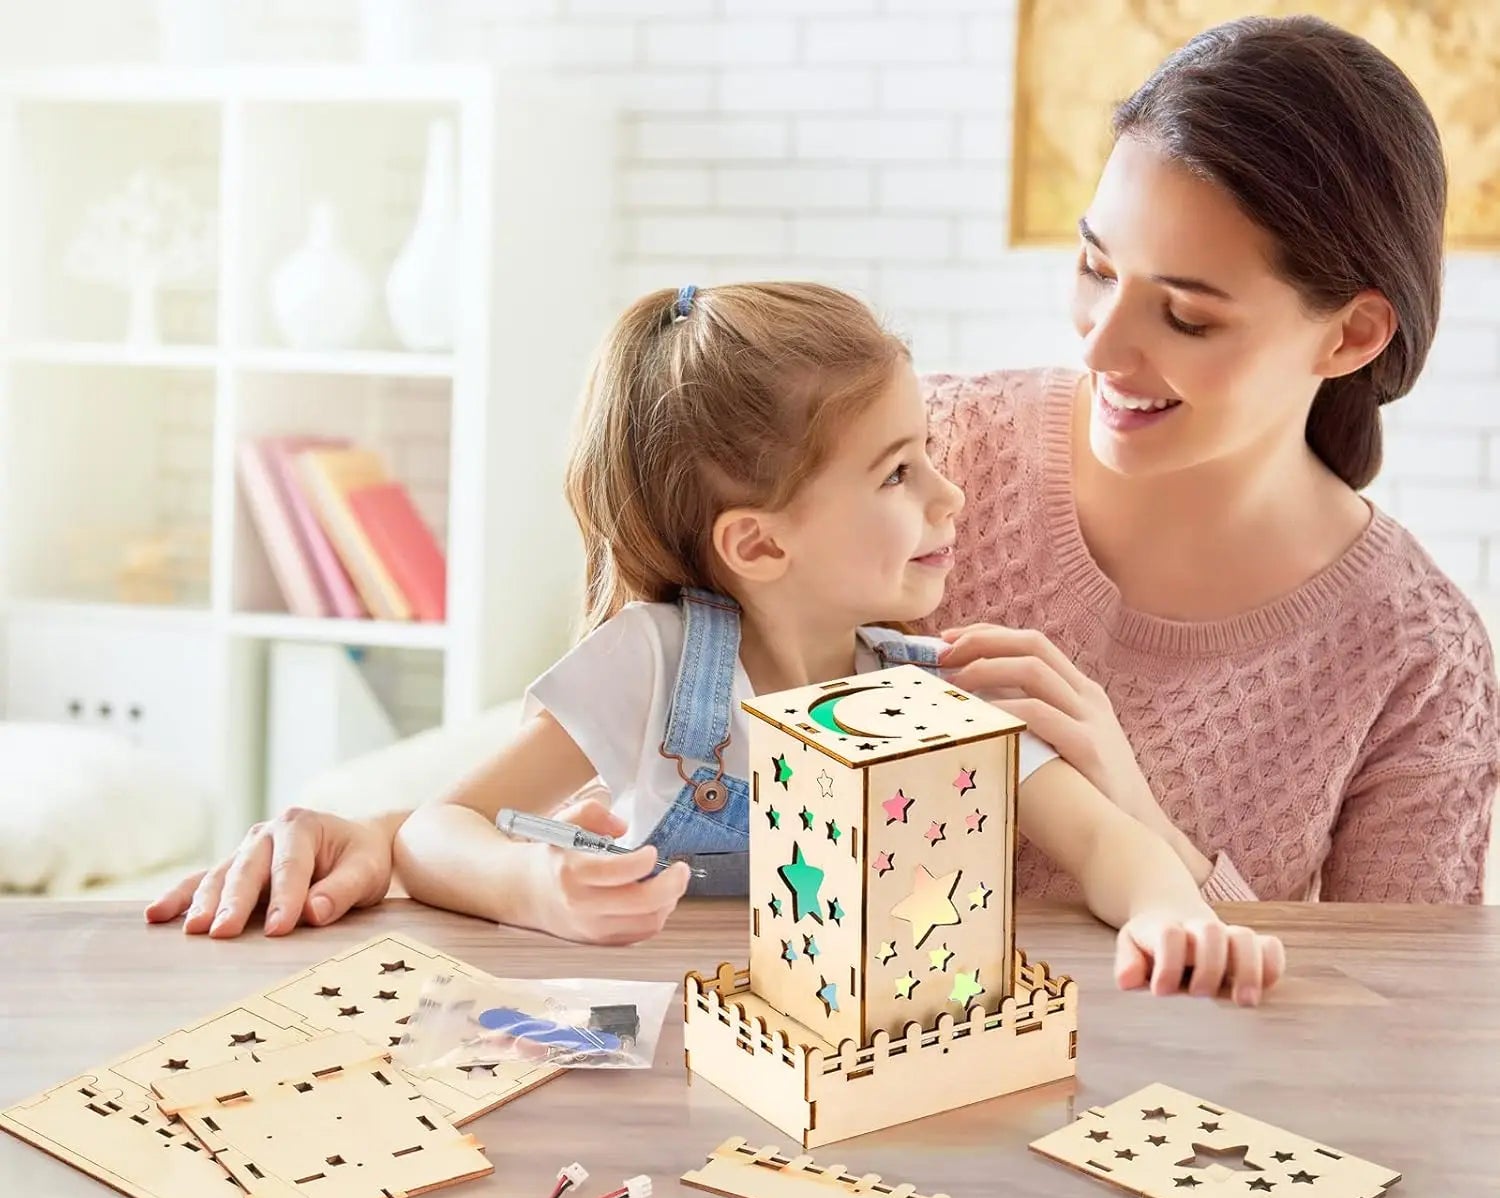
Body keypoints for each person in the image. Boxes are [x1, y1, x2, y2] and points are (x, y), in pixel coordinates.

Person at [149, 14, 1496, 939]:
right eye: (1093, 266)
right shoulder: (923, 449)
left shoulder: (1416, 658)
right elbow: (637, 715)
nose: (1099, 342)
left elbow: (1403, 1020)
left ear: (1353, 332)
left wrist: (1145, 835)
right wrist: (381, 837)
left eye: (1185, 312)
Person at [186, 280, 1287, 1000]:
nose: (952, 499)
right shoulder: (654, 665)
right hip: (657, 1073)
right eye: (900, 472)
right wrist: (537, 890)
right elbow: (437, 829)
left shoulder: (938, 698)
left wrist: (1172, 918)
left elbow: (1104, 844)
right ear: (758, 545)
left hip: (860, 1084)